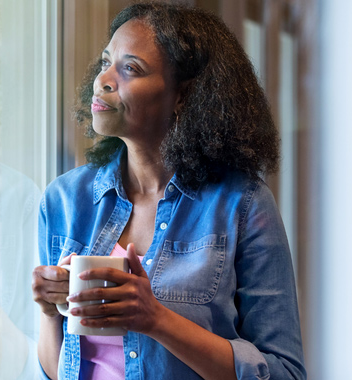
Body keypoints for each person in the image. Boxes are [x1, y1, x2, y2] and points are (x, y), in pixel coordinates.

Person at [31, 2, 306, 379]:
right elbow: (58, 370)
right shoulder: (64, 200)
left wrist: (155, 318)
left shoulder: (242, 205)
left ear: (182, 96)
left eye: (130, 68)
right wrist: (50, 312)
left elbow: (284, 372)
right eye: (105, 62)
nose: (103, 80)